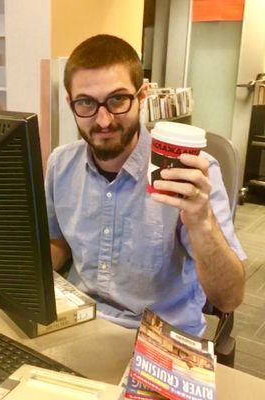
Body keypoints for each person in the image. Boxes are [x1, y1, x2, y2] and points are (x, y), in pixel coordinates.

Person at [44, 34, 246, 335]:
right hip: (77, 323)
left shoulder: (190, 173)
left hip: (160, 336)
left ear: (142, 97)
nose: (103, 120)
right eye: (86, 102)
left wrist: (202, 223)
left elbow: (228, 299)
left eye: (117, 99)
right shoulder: (61, 164)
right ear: (70, 103)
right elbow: (57, 242)